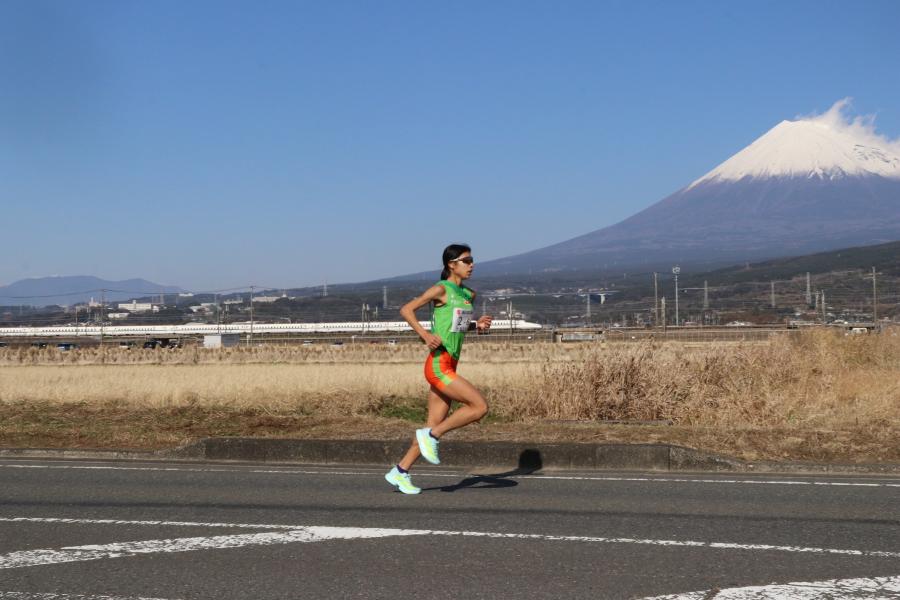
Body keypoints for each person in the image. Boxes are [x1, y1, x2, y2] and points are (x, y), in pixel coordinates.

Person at [384, 243, 492, 494]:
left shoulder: (468, 295)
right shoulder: (441, 289)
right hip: (438, 364)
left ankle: (400, 471)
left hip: (450, 363)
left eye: (472, 260)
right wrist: (424, 334)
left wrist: (477, 326)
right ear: (451, 265)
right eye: (467, 260)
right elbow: (406, 309)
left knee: (430, 425)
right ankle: (432, 436)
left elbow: (458, 326)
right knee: (479, 407)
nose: (472, 264)